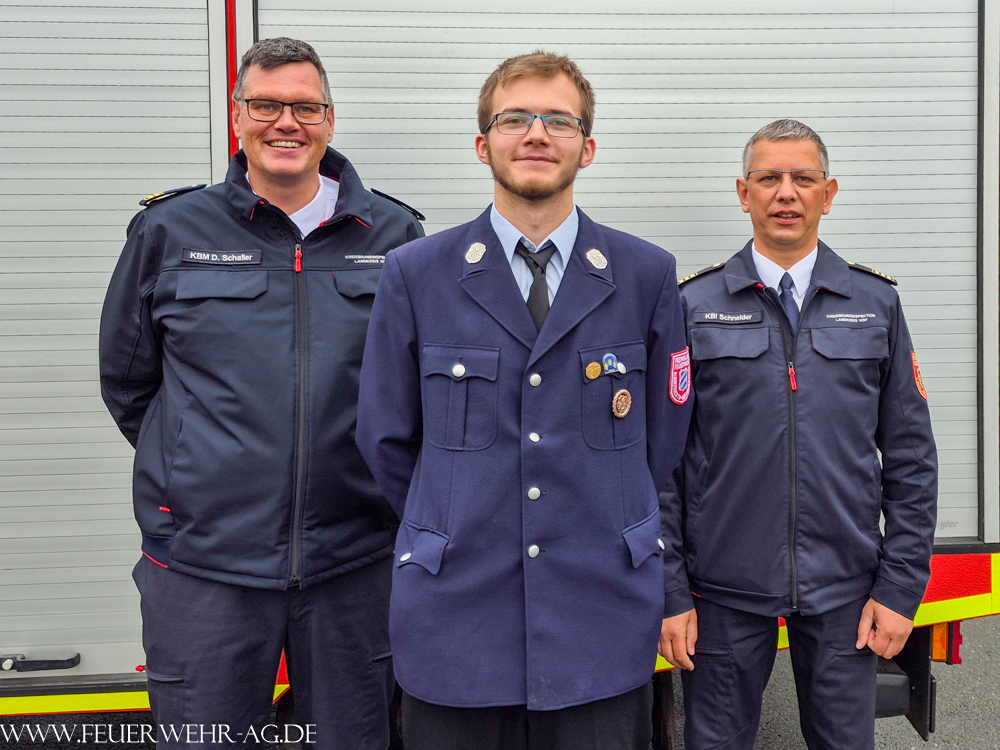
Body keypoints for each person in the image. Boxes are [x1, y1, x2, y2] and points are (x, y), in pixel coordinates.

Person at [355, 51, 694, 750]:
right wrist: (451, 517)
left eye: (559, 120)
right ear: (484, 144)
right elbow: (385, 439)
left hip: (597, 618)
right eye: (514, 118)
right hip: (458, 619)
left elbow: (662, 439)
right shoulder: (416, 274)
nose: (536, 134)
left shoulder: (645, 274)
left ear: (587, 147)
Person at [99, 37, 423, 749]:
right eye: (267, 105)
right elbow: (128, 381)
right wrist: (200, 470)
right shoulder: (170, 230)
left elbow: (415, 391)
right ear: (238, 116)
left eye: (305, 107)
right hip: (204, 565)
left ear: (330, 120)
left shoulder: (398, 235)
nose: (287, 123)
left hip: (355, 561)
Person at [662, 119, 938, 750]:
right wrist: (671, 589)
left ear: (828, 192)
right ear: (743, 192)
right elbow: (666, 466)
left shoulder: (876, 304)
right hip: (724, 588)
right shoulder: (693, 305)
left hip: (847, 587)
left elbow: (911, 459)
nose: (785, 192)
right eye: (769, 178)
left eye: (802, 178)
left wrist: (899, 590)